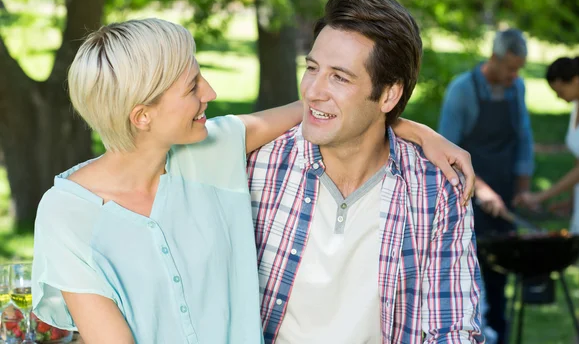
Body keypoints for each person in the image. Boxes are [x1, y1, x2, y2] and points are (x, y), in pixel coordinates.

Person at [31, 18, 475, 343]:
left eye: (200, 76)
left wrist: (412, 128)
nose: (211, 92)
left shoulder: (215, 151)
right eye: (192, 87)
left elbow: (322, 112)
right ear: (142, 116)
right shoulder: (67, 213)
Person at [247, 0, 483, 344]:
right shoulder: (258, 169)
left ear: (388, 94)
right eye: (312, 68)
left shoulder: (437, 191)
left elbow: (451, 330)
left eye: (339, 77)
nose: (312, 91)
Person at [437, 28, 534, 344]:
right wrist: (479, 189)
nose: (514, 75)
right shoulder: (462, 90)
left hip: (504, 197)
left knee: (498, 280)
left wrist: (521, 186)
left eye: (518, 68)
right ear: (494, 58)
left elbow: (523, 138)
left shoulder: (515, 88)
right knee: (468, 281)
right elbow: (445, 151)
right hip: (465, 200)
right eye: (511, 67)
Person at [515, 56, 579, 344]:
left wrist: (541, 195)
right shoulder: (578, 108)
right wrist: (571, 203)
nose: (557, 95)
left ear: (575, 81)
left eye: (559, 89)